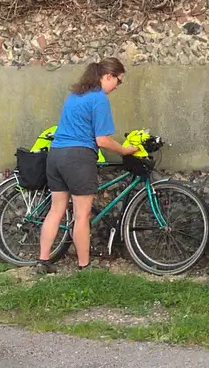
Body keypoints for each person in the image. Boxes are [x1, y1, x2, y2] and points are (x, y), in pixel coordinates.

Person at [37, 57, 143, 274]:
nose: (117, 87)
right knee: (81, 215)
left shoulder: (75, 95)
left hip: (56, 154)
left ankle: (43, 260)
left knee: (56, 210)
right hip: (78, 157)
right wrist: (125, 150)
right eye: (118, 81)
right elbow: (102, 140)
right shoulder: (99, 99)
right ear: (107, 76)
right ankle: (84, 266)